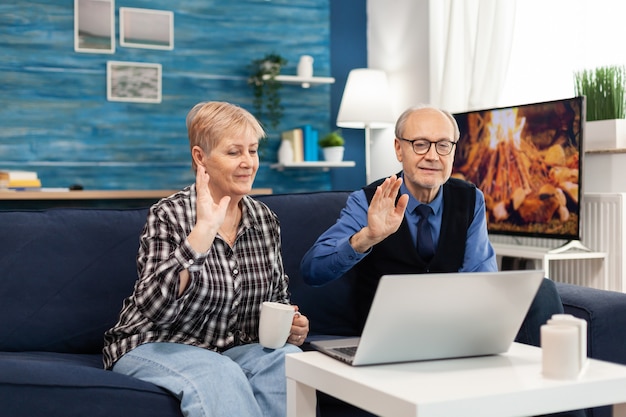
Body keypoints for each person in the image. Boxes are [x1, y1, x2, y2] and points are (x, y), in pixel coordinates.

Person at [103, 101, 309, 417]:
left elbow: (277, 300)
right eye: (234, 152)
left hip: (230, 351)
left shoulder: (265, 220)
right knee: (219, 372)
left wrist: (291, 327)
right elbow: (155, 309)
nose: (248, 163)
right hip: (155, 343)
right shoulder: (170, 214)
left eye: (252, 151)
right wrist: (202, 232)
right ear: (201, 157)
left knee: (287, 360)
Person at [300, 104, 564, 347]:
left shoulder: (471, 199)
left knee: (543, 290)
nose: (432, 156)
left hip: (452, 327)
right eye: (420, 144)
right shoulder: (370, 201)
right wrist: (367, 237)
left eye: (443, 145)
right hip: (389, 335)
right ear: (398, 149)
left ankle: (544, 391)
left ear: (453, 152)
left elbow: (479, 277)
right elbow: (312, 270)